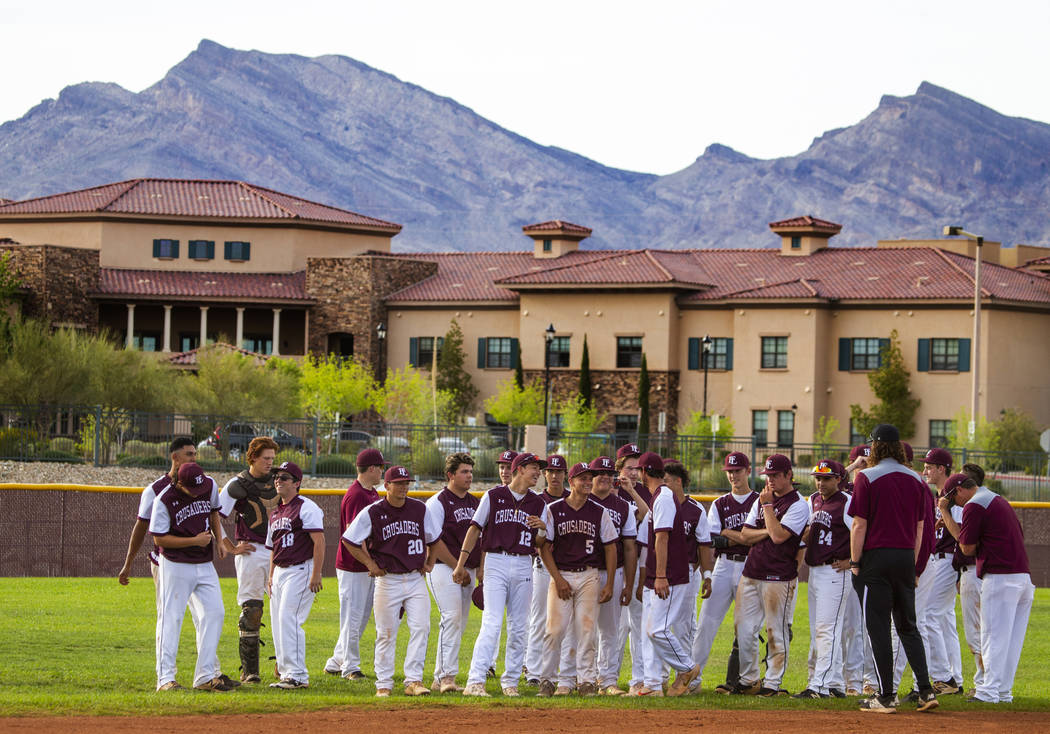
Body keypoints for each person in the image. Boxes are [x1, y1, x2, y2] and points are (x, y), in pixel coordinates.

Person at [849, 423, 938, 714]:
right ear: (899, 447)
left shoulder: (867, 477)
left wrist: (854, 562)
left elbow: (859, 524)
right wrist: (911, 563)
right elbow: (921, 526)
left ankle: (886, 696)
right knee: (908, 625)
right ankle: (925, 690)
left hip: (876, 557)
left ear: (874, 446)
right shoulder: (916, 479)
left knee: (878, 627)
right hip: (904, 556)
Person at [454, 452, 547, 697]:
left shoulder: (538, 503)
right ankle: (475, 680)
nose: (538, 473)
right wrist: (461, 563)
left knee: (519, 627)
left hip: (524, 562)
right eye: (534, 468)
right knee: (492, 623)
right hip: (496, 561)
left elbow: (540, 543)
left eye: (539, 469)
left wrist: (542, 531)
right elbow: (474, 529)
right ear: (519, 469)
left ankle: (511, 682)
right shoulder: (494, 496)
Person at [344, 464, 440, 697]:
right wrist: (370, 564)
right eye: (398, 483)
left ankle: (414, 681)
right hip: (388, 580)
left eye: (406, 483)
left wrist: (430, 562)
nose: (404, 487)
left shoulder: (419, 509)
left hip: (415, 578)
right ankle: (384, 683)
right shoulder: (373, 511)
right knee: (386, 632)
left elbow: (435, 537)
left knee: (421, 627)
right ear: (386, 485)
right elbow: (349, 540)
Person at [938, 472, 1034, 704]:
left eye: (952, 500)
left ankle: (989, 691)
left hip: (1000, 577)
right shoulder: (998, 499)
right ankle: (1002, 691)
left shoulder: (974, 505)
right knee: (1011, 640)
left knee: (992, 635)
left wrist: (944, 512)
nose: (955, 505)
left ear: (959, 491)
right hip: (1023, 577)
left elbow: (966, 548)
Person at [149, 462, 242, 691]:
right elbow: (159, 540)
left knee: (215, 613)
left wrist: (219, 540)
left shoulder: (208, 484)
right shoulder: (164, 500)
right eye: (192, 489)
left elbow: (213, 513)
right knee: (172, 618)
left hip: (204, 562)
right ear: (179, 483)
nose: (198, 493)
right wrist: (194, 541)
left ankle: (205, 675)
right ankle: (165, 678)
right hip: (175, 564)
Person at [535, 461, 618, 697]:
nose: (588, 482)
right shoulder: (554, 509)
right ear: (571, 482)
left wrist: (610, 582)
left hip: (589, 574)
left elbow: (611, 547)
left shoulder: (599, 512)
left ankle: (587, 681)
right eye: (582, 478)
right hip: (561, 573)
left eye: (589, 478)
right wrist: (558, 579)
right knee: (554, 630)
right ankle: (547, 680)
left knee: (587, 630)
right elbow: (544, 548)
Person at [733, 454, 808, 697]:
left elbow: (778, 537)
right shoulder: (763, 499)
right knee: (743, 629)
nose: (771, 480)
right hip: (752, 571)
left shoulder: (797, 503)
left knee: (776, 630)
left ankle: (772, 683)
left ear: (789, 475)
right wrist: (769, 526)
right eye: (768, 476)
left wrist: (766, 510)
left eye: (776, 475)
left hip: (779, 575)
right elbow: (745, 535)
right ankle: (749, 678)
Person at [639, 451, 707, 697]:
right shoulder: (659, 496)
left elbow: (663, 537)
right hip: (662, 574)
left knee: (658, 630)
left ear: (644, 472)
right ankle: (653, 685)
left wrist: (660, 575)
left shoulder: (664, 497)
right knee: (650, 630)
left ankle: (688, 669)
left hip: (670, 574)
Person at [693, 451, 758, 695]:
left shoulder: (759, 501)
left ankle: (746, 681)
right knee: (706, 623)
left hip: (750, 566)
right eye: (729, 471)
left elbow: (759, 540)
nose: (733, 475)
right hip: (723, 566)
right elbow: (713, 540)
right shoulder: (720, 503)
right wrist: (742, 537)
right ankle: (693, 679)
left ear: (748, 471)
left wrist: (732, 534)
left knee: (746, 627)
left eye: (737, 470)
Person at [218, 436, 280, 683]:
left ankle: (284, 666)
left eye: (272, 459)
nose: (270, 463)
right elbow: (215, 516)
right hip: (252, 551)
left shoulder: (280, 479)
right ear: (253, 457)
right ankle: (250, 671)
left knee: (282, 610)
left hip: (278, 553)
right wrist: (229, 547)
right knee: (252, 610)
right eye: (266, 458)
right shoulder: (238, 484)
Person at [325, 448, 387, 679]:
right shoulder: (357, 495)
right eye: (380, 467)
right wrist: (369, 562)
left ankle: (337, 661)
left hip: (364, 565)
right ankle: (350, 667)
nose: (382, 471)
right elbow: (354, 535)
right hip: (353, 565)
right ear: (371, 469)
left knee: (360, 617)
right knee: (352, 616)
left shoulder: (370, 493)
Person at [795, 460, 852, 699]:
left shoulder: (847, 502)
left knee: (826, 629)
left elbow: (863, 531)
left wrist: (853, 560)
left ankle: (818, 685)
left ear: (838, 479)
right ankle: (835, 683)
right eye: (818, 478)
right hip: (816, 571)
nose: (820, 482)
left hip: (836, 571)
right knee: (823, 629)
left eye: (826, 478)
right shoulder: (814, 500)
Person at [266, 461, 324, 689]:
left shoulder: (306, 507)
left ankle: (298, 675)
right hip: (280, 571)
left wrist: (316, 574)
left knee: (289, 619)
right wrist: (270, 576)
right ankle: (285, 670)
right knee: (278, 623)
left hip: (301, 569)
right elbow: (272, 549)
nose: (278, 480)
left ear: (297, 483)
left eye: (284, 477)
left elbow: (319, 541)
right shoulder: (276, 512)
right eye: (276, 477)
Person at [425, 452, 480, 693]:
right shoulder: (437, 502)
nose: (469, 476)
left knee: (459, 622)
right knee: (451, 617)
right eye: (463, 472)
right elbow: (434, 542)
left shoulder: (474, 503)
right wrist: (457, 567)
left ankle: (440, 677)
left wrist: (472, 570)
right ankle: (446, 677)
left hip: (467, 569)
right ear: (450, 475)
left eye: (470, 471)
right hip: (441, 568)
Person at [587, 455, 638, 696]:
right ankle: (583, 678)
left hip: (614, 572)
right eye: (600, 473)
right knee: (582, 628)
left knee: (609, 629)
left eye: (609, 474)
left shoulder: (624, 507)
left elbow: (629, 547)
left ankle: (607, 680)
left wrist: (628, 582)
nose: (605, 477)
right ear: (591, 477)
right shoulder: (579, 501)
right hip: (584, 571)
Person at [920, 447, 963, 694]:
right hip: (938, 559)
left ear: (941, 469)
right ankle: (954, 677)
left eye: (929, 466)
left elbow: (960, 535)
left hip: (947, 559)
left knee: (931, 614)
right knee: (945, 620)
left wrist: (958, 570)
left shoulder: (954, 497)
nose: (925, 469)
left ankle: (944, 677)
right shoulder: (937, 495)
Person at [524, 454, 568, 686]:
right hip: (541, 566)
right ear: (545, 474)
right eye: (550, 471)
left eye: (559, 471)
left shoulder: (572, 499)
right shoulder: (537, 500)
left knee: (565, 622)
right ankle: (532, 671)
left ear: (565, 475)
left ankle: (562, 671)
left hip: (567, 567)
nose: (555, 475)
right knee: (538, 618)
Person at [613, 442, 652, 695]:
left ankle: (638, 678)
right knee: (612, 625)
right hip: (613, 564)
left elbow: (647, 514)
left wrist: (633, 492)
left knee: (637, 623)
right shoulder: (610, 489)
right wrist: (620, 490)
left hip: (637, 561)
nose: (634, 472)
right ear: (619, 469)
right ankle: (605, 677)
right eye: (629, 467)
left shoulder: (646, 492)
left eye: (637, 468)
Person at [954, 463, 987, 696]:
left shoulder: (973, 506)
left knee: (977, 632)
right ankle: (987, 682)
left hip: (974, 572)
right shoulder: (988, 502)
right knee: (985, 631)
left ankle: (984, 684)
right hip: (980, 574)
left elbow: (966, 547)